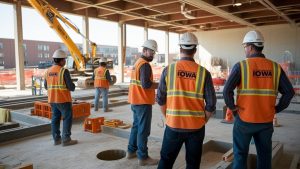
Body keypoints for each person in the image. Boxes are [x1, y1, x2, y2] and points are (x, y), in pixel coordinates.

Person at [223, 30, 295, 169]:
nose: (245, 49)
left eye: (245, 46)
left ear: (250, 47)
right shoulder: (275, 67)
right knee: (264, 156)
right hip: (266, 121)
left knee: (240, 156)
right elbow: (289, 92)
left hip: (244, 120)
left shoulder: (241, 66)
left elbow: (227, 91)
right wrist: (276, 109)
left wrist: (233, 108)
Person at [156, 32, 216, 169]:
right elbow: (211, 105)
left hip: (173, 125)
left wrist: (168, 117)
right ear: (195, 50)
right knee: (193, 164)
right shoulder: (203, 73)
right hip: (196, 127)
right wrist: (203, 121)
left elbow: (160, 99)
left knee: (165, 161)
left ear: (180, 49)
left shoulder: (168, 70)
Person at [127, 39, 159, 166]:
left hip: (135, 101)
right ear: (144, 50)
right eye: (151, 52)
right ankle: (143, 157)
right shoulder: (145, 64)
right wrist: (161, 84)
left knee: (136, 127)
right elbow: (146, 84)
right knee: (143, 130)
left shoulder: (138, 63)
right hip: (142, 102)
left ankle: (131, 151)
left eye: (153, 52)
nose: (152, 54)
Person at [44, 49, 78, 146]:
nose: (65, 61)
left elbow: (46, 86)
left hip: (52, 100)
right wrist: (73, 85)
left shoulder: (47, 71)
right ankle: (66, 139)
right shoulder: (63, 71)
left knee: (55, 119)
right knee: (67, 118)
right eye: (64, 60)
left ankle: (56, 139)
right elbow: (71, 87)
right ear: (61, 60)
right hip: (63, 100)